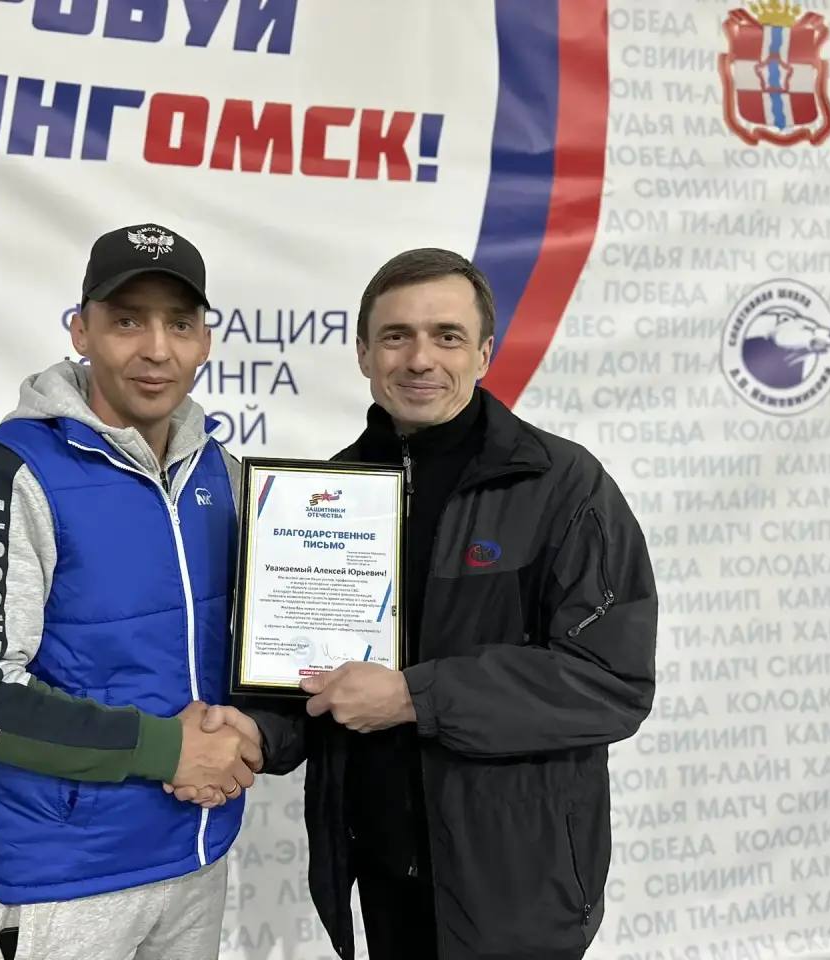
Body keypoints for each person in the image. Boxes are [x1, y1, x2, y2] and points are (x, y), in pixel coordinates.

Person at [186, 248, 658, 959]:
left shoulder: (564, 487)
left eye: (447, 335)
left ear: (484, 353)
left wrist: (416, 696)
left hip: (518, 882)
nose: (419, 359)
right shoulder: (325, 496)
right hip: (382, 871)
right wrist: (255, 731)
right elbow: (311, 673)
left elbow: (609, 682)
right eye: (396, 336)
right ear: (363, 353)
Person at [0, 222, 262, 960]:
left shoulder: (222, 473)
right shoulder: (12, 470)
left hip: (196, 848)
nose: (157, 349)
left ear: (206, 340)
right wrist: (167, 749)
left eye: (180, 324)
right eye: (127, 321)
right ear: (81, 330)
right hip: (67, 877)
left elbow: (260, 641)